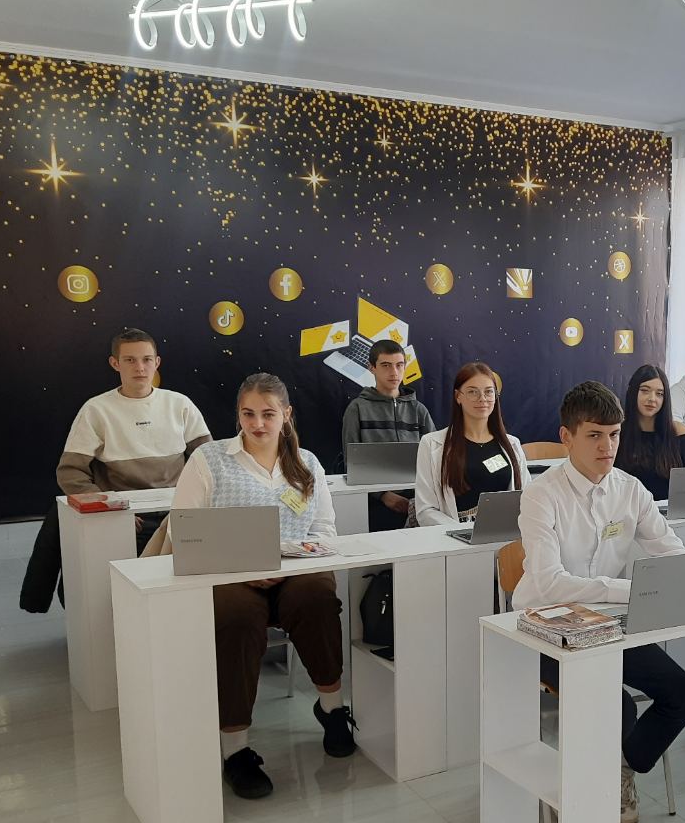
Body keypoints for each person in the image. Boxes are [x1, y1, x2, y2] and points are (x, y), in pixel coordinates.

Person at [514, 381, 685, 823]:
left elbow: (669, 549)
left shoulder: (630, 490)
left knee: (684, 693)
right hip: (543, 626)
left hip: (607, 622)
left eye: (615, 434)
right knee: (616, 703)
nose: (608, 446)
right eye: (595, 435)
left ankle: (620, 767)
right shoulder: (541, 495)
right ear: (567, 437)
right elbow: (552, 583)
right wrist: (631, 590)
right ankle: (593, 784)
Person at [171, 373, 354, 799]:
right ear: (237, 415)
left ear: (286, 415)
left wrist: (289, 562)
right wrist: (241, 567)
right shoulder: (209, 459)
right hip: (229, 575)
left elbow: (325, 530)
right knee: (236, 617)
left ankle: (332, 708)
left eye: (268, 414)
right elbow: (184, 531)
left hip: (293, 570)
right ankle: (235, 747)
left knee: (318, 597)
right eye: (248, 414)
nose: (257, 424)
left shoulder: (307, 464)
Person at [57, 327, 211, 553]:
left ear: (157, 362)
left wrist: (189, 508)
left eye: (147, 359)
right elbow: (70, 473)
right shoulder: (96, 410)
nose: (140, 367)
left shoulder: (180, 404)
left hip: (177, 512)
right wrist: (110, 510)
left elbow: (209, 463)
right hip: (122, 516)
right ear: (115, 363)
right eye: (130, 360)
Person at [409, 362, 527, 526]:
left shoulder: (512, 444)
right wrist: (462, 533)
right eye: (472, 392)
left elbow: (527, 497)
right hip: (451, 535)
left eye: (489, 392)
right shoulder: (431, 444)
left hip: (502, 532)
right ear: (458, 396)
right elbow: (426, 510)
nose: (482, 399)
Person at [340, 339, 435, 531]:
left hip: (420, 501)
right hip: (374, 502)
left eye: (399, 365)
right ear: (371, 368)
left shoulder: (419, 410)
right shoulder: (357, 409)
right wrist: (383, 496)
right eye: (386, 365)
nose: (394, 372)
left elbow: (435, 458)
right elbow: (351, 463)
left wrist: (421, 498)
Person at [613, 364, 685, 501]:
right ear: (633, 392)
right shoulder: (617, 432)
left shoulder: (679, 432)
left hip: (668, 511)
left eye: (659, 394)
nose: (652, 399)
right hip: (628, 510)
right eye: (645, 391)